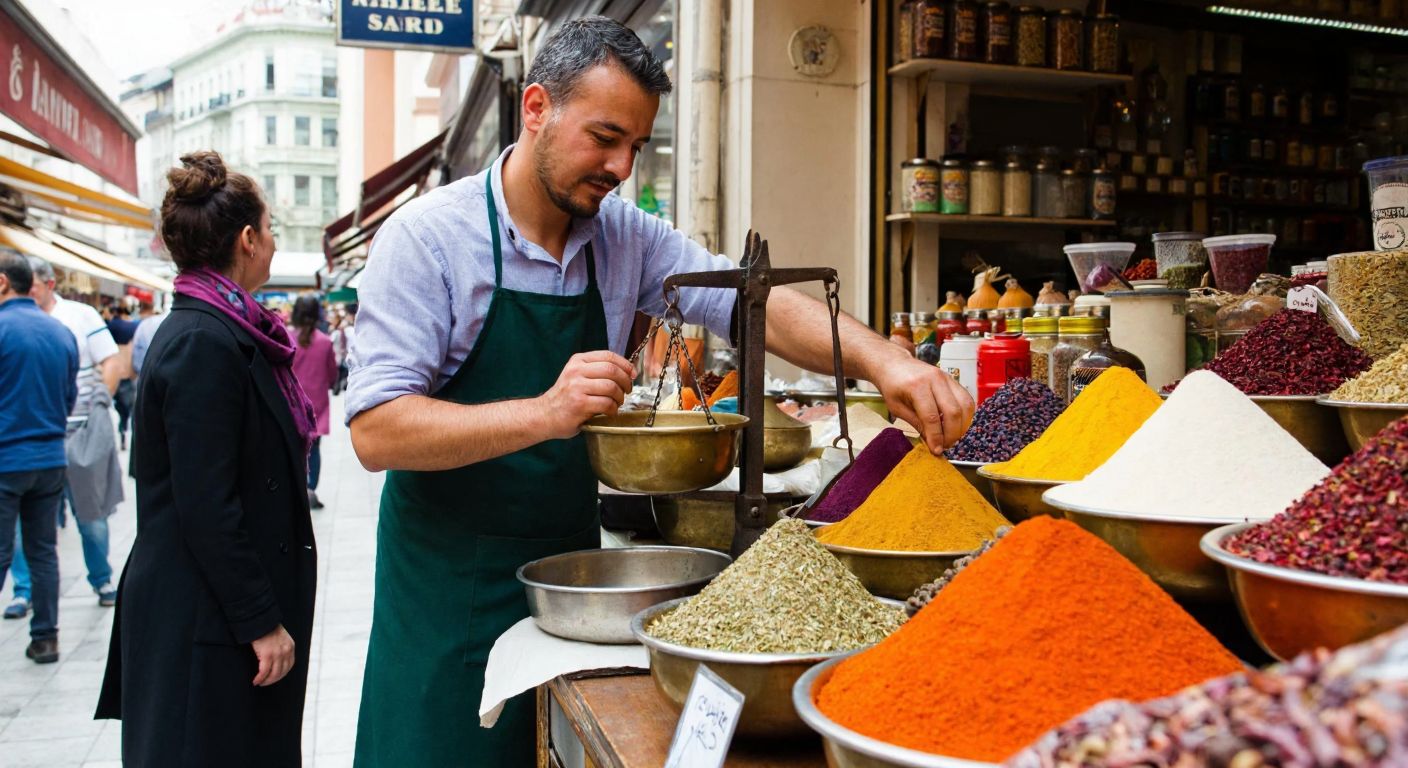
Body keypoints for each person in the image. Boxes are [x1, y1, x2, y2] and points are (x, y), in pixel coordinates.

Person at [345, 17, 974, 766]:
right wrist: (546, 413)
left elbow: (751, 300)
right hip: (446, 590)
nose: (621, 167)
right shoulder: (428, 241)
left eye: (637, 147)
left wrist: (880, 361)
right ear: (536, 108)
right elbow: (377, 431)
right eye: (604, 138)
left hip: (571, 582)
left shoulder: (626, 238)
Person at [96, 151, 318, 766]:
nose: (272, 243)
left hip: (211, 612)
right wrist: (259, 621)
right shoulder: (203, 341)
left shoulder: (223, 330)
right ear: (247, 240)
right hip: (204, 619)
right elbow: (205, 504)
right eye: (270, 230)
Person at [16, 258, 123, 609]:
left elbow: (110, 361)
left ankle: (101, 578)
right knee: (26, 521)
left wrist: (99, 404)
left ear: (49, 285)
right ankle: (24, 589)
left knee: (90, 514)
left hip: (80, 430)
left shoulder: (80, 316)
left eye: (31, 286)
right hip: (34, 436)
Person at [0, 249, 77, 663]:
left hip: (7, 457)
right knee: (43, 551)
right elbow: (69, 397)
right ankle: (46, 636)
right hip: (50, 457)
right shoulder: (60, 332)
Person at [290, 293, 338, 510]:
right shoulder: (325, 342)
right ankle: (310, 489)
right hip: (316, 404)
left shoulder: (285, 339)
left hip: (290, 404)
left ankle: (294, 488)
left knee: (291, 449)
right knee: (314, 449)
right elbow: (332, 375)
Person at [106, 303, 139, 451]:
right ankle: (124, 427)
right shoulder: (133, 327)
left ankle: (119, 430)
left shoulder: (110, 326)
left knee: (117, 405)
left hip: (113, 370)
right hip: (127, 370)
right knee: (127, 407)